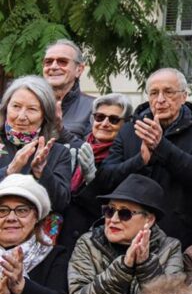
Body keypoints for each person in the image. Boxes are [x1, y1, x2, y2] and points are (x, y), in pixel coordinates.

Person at [99, 69, 192, 248]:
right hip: (126, 236)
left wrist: (161, 146)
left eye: (168, 92)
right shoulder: (130, 130)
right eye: (154, 93)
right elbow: (106, 178)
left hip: (177, 238)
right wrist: (140, 161)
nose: (160, 99)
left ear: (184, 96)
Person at [60, 94, 132, 251]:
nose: (104, 124)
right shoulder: (77, 148)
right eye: (99, 117)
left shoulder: (125, 157)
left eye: (113, 119)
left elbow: (114, 210)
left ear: (125, 124)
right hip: (62, 235)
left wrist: (92, 181)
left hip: (95, 243)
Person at [0, 76, 74, 214]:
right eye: (16, 106)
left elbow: (61, 203)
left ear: (44, 115)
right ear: (6, 108)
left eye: (32, 109)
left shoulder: (58, 152)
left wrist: (42, 172)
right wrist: (9, 170)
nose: (21, 116)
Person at [42, 39, 95, 137]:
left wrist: (61, 131)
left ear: (79, 70)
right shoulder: (29, 105)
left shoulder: (94, 108)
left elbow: (93, 150)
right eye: (48, 62)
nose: (53, 67)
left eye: (62, 61)